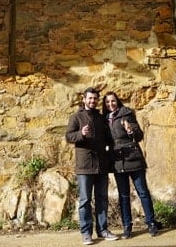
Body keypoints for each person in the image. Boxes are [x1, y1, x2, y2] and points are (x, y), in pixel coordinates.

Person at [66, 87, 119, 245]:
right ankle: (86, 233)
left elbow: (109, 140)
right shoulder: (76, 117)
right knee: (85, 200)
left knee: (102, 199)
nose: (92, 101)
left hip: (101, 166)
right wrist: (80, 134)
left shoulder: (101, 118)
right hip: (84, 166)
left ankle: (103, 230)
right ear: (84, 99)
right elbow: (69, 136)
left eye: (95, 99)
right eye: (90, 98)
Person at [103, 92, 159, 239]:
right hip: (117, 161)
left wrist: (130, 130)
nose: (111, 104)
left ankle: (151, 223)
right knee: (123, 196)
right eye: (108, 102)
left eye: (113, 101)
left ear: (117, 101)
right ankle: (127, 227)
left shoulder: (126, 114)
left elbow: (139, 136)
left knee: (143, 192)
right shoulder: (104, 119)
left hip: (133, 158)